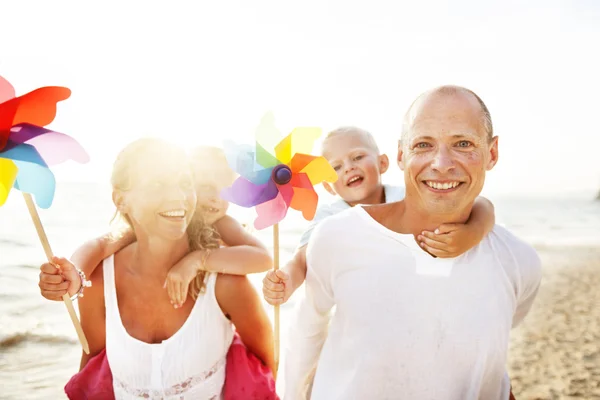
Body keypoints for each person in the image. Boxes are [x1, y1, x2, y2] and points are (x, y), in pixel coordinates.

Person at [283, 86, 542, 400]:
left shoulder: (518, 261)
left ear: (492, 153)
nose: (442, 163)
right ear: (402, 156)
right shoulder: (334, 236)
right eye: (423, 144)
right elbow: (305, 335)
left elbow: (488, 349)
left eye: (463, 143)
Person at [40, 138, 275, 399]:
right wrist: (74, 274)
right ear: (121, 200)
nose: (177, 196)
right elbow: (93, 364)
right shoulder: (103, 278)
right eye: (157, 185)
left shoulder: (226, 278)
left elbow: (265, 369)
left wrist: (197, 260)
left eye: (184, 184)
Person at [262, 126, 496, 306]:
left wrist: (472, 233)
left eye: (357, 157)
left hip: (415, 293)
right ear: (328, 187)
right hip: (360, 305)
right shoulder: (330, 217)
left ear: (382, 163)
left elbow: (481, 205)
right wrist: (287, 280)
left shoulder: (407, 196)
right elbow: (304, 258)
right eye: (336, 167)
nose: (349, 168)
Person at [38, 145, 271, 309]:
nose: (216, 199)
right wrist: (75, 278)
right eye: (207, 188)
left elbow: (263, 258)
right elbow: (100, 245)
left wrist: (198, 260)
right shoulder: (156, 224)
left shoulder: (220, 223)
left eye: (226, 190)